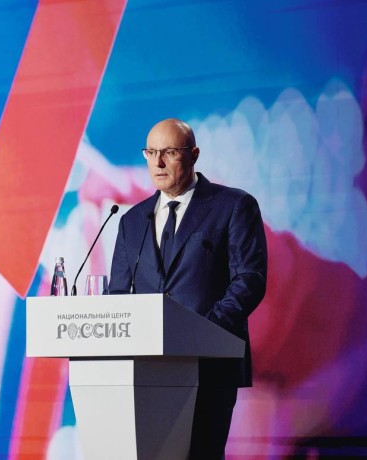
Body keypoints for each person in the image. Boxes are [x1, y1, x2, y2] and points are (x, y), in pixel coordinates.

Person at [109, 118, 268, 459]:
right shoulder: (131, 221)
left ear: (194, 154)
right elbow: (118, 296)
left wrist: (200, 332)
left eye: (169, 152)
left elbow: (249, 279)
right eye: (151, 152)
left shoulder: (233, 206)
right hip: (146, 370)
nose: (158, 162)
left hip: (209, 364)